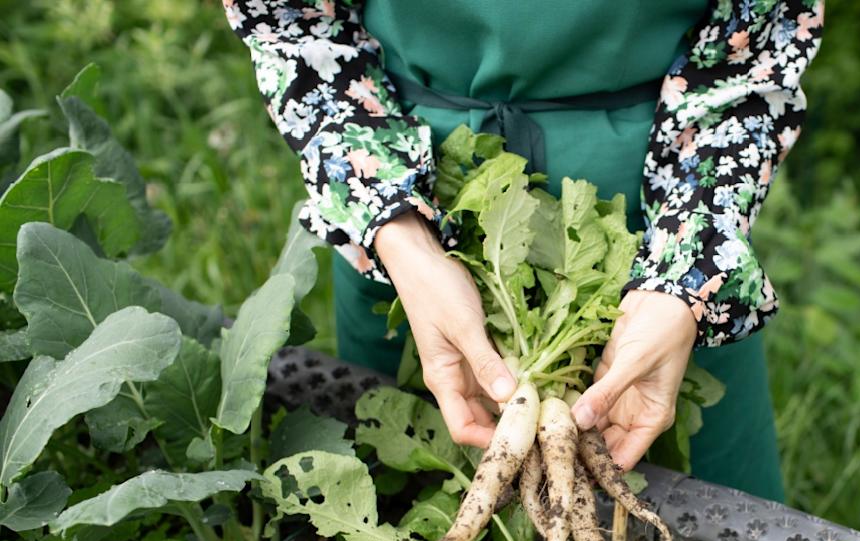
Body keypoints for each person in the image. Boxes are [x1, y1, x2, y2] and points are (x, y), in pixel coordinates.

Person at [224, 0, 823, 502]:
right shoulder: (403, 234)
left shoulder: (681, 244)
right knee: (408, 499)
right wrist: (397, 231)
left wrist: (688, 275)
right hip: (415, 208)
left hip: (659, 209)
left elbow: (755, 55)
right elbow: (292, 22)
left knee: (714, 532)